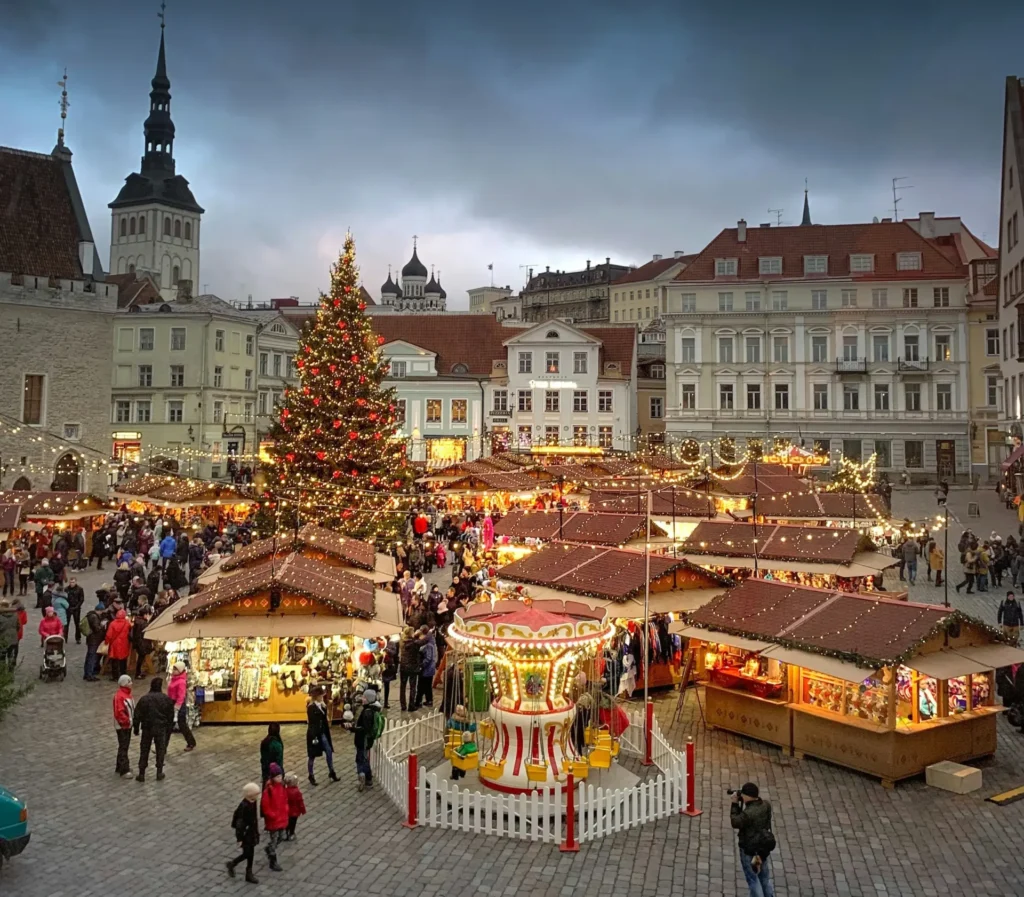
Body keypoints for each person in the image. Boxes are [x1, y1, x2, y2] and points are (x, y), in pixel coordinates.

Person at [730, 782, 776, 897]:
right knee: (764, 878)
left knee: (753, 879)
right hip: (762, 849)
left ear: (746, 796)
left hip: (749, 850)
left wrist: (735, 805)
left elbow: (735, 822)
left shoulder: (748, 813)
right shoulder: (766, 805)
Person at [133, 676, 175, 782]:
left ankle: (141, 773)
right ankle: (159, 772)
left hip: (147, 728)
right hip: (161, 728)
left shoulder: (144, 699)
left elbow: (137, 715)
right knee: (160, 749)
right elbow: (170, 716)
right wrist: (168, 729)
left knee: (144, 750)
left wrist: (136, 728)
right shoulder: (166, 699)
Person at [227, 782, 261, 884]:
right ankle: (233, 863)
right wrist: (240, 838)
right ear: (251, 795)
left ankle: (249, 872)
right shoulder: (244, 807)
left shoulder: (253, 802)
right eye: (257, 794)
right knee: (247, 853)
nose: (258, 796)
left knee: (251, 853)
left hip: (251, 832)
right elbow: (240, 825)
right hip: (246, 834)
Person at [305, 686, 338, 785]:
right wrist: (314, 736)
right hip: (314, 734)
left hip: (323, 733)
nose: (323, 697)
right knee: (312, 755)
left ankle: (331, 771)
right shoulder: (311, 707)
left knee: (329, 751)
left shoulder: (322, 705)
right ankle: (311, 775)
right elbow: (313, 723)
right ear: (317, 697)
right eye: (321, 696)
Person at [260, 764, 287, 872]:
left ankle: (270, 848)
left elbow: (285, 799)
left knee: (281, 837)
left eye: (280, 776)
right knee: (275, 839)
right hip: (274, 820)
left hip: (282, 817)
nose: (279, 778)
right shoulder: (269, 790)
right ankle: (273, 860)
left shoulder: (282, 786)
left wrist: (286, 809)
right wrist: (272, 815)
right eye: (277, 777)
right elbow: (265, 806)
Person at [167, 661, 197, 751]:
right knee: (169, 726)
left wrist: (176, 708)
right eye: (173, 669)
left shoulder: (181, 682)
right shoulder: (173, 678)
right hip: (172, 703)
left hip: (178, 705)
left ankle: (191, 742)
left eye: (175, 669)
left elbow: (181, 696)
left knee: (181, 725)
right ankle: (161, 747)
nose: (173, 671)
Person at [354, 688, 379, 791]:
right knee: (364, 759)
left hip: (363, 740)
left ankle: (362, 776)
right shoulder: (370, 709)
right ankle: (368, 779)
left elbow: (364, 729)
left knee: (360, 759)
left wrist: (353, 728)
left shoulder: (367, 712)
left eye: (364, 697)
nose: (362, 698)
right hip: (366, 740)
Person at [112, 674, 135, 778]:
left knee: (123, 746)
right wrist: (127, 721)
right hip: (123, 726)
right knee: (124, 747)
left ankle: (119, 766)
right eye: (129, 682)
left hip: (127, 725)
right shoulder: (120, 696)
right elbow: (119, 713)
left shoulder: (126, 694)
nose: (131, 683)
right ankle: (124, 770)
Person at [105, 608, 132, 680]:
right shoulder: (126, 623)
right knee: (123, 660)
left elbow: (109, 635)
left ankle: (115, 676)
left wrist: (106, 642)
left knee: (114, 660)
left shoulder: (112, 623)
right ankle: (123, 674)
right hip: (124, 643)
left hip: (115, 644)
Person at [83, 599, 107, 681]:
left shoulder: (91, 615)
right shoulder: (94, 617)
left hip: (91, 639)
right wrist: (102, 624)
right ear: (99, 610)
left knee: (89, 656)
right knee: (92, 657)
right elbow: (96, 629)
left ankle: (87, 673)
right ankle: (89, 674)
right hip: (94, 640)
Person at [399, 626, 421, 711]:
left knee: (402, 687)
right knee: (412, 687)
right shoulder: (414, 643)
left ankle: (403, 705)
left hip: (403, 667)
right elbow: (420, 644)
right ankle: (411, 705)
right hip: (413, 667)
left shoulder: (402, 641)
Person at [418, 628, 437, 709]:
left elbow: (428, 658)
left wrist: (422, 665)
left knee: (424, 685)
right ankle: (429, 700)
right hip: (430, 668)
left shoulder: (428, 645)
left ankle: (427, 701)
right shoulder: (432, 642)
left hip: (427, 669)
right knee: (428, 686)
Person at [132, 606, 153, 678]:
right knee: (141, 658)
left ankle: (139, 672)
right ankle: (138, 673)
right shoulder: (143, 623)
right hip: (142, 643)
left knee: (140, 658)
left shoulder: (137, 621)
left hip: (138, 643)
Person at [284, 773, 306, 839]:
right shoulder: (297, 792)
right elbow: (300, 802)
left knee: (287, 823)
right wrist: (303, 810)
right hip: (295, 811)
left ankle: (286, 833)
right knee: (293, 824)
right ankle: (291, 833)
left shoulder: (285, 791)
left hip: (287, 811)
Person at [0, 599, 20, 668]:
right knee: (10, 656)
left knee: (2, 658)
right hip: (13, 639)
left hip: (2, 640)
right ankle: (10, 674)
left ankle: (3, 674)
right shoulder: (15, 615)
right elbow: (18, 627)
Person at [65, 577, 85, 644]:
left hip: (76, 608)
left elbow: (81, 599)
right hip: (68, 608)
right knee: (66, 624)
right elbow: (64, 598)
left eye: (73, 582)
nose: (71, 584)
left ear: (76, 582)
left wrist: (77, 607)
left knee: (77, 623)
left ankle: (78, 638)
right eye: (70, 582)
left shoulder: (80, 589)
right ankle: (65, 637)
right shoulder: (66, 589)